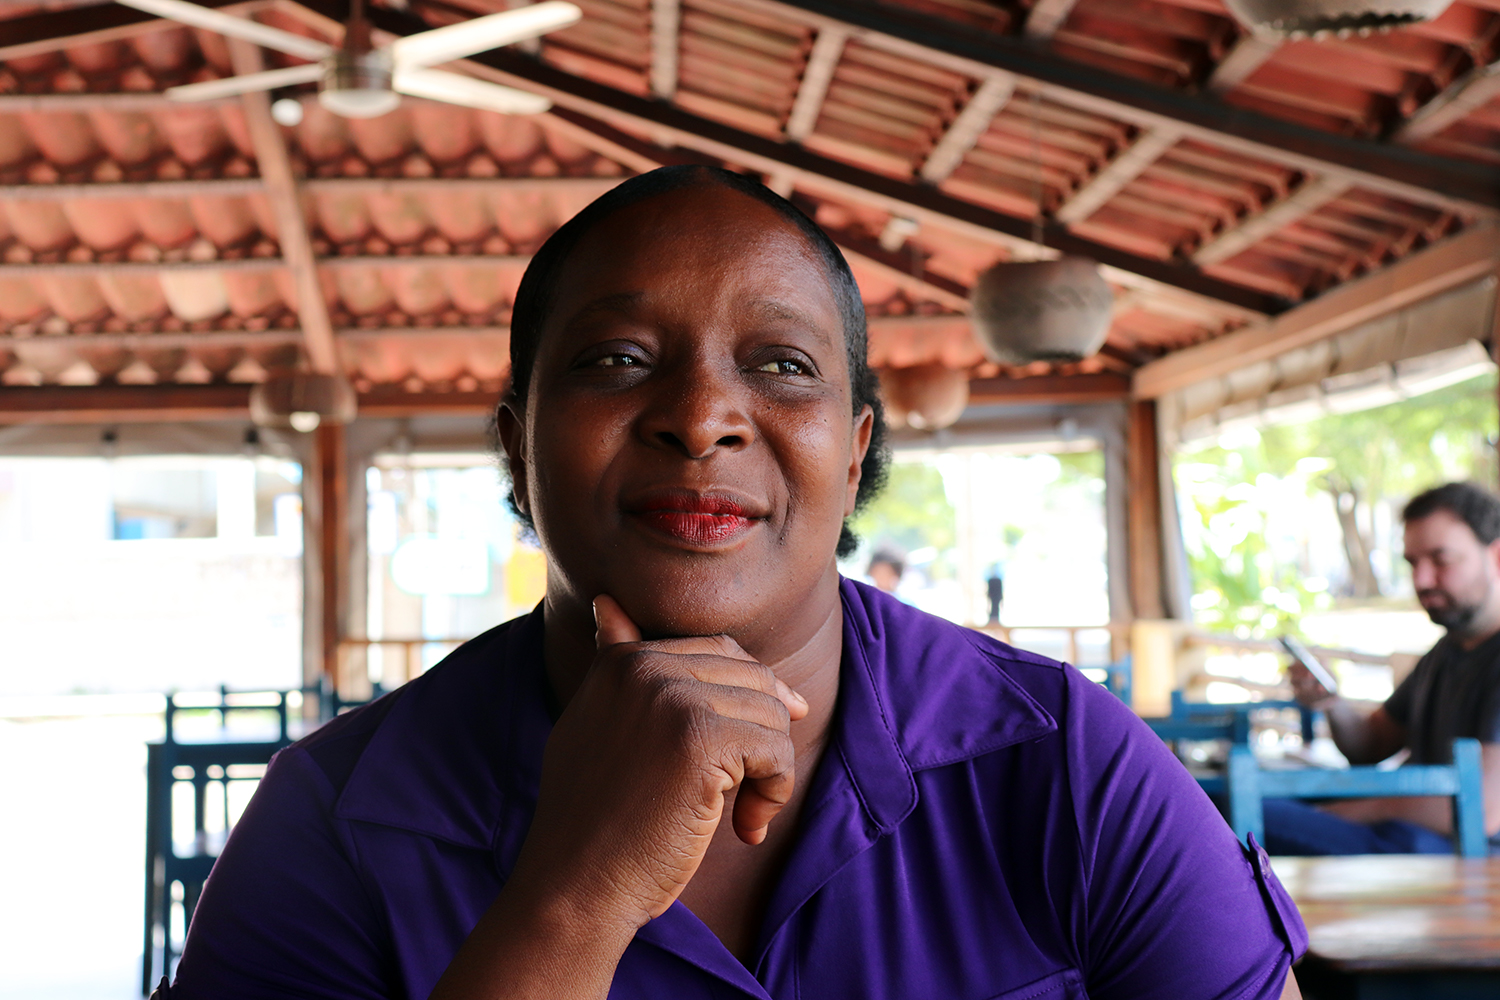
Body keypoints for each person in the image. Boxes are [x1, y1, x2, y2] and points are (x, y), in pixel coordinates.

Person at [165, 166, 1305, 999]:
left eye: (780, 364)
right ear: (518, 447)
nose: (702, 416)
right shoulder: (337, 820)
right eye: (618, 361)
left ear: (853, 452)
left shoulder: (1062, 763)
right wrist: (576, 897)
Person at [1272, 482, 1500, 855]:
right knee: (1241, 804)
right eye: (1413, 563)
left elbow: (1484, 809)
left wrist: (1357, 810)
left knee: (1238, 817)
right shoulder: (1446, 652)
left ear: (1496, 558)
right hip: (1410, 837)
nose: (1422, 580)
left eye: (1441, 560)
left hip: (1465, 859)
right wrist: (1332, 704)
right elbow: (1370, 746)